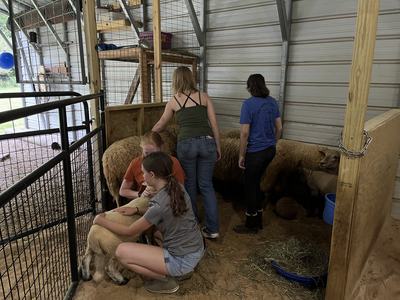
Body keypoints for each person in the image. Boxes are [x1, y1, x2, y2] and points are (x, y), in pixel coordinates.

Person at [93, 152, 205, 294]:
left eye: (143, 173)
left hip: (181, 260)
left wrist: (100, 220)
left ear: (152, 175)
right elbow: (164, 210)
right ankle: (177, 269)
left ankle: (168, 278)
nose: (143, 176)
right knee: (157, 234)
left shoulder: (159, 204)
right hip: (196, 248)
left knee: (121, 252)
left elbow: (130, 231)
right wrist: (137, 209)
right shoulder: (177, 187)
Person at [152, 66, 221, 239]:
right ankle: (213, 229)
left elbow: (161, 124)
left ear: (176, 80)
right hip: (207, 143)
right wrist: (218, 146)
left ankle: (193, 224)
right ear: (191, 78)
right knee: (206, 185)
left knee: (189, 184)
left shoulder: (174, 101)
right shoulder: (204, 97)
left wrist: (148, 135)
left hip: (187, 145)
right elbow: (214, 124)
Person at [233, 74, 283, 234]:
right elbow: (280, 128)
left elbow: (245, 133)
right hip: (270, 151)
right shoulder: (272, 102)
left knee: (250, 187)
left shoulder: (248, 104)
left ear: (249, 87)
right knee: (257, 183)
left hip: (255, 153)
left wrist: (242, 155)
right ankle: (259, 218)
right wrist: (273, 142)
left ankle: (251, 224)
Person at [119, 131, 185, 200]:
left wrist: (162, 194)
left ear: (161, 147)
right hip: (144, 201)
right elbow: (123, 191)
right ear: (142, 149)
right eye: (146, 153)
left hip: (167, 200)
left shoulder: (172, 162)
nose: (150, 158)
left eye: (154, 153)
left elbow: (181, 189)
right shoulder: (135, 163)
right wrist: (140, 194)